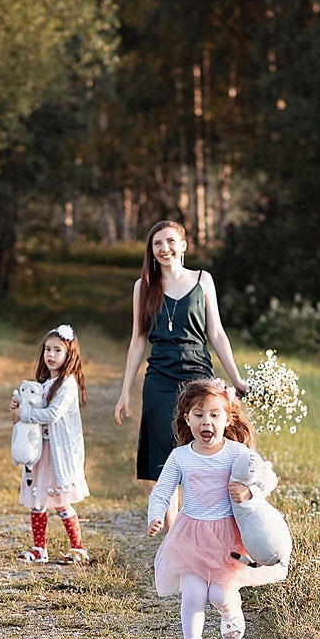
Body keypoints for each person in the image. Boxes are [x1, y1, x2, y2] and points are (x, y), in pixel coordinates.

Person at [147, 378, 287, 639]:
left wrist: (250, 493)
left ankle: (230, 610)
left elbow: (268, 479)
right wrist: (156, 516)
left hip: (228, 538)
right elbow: (162, 491)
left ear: (227, 418)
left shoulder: (237, 453)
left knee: (219, 595)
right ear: (187, 419)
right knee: (194, 593)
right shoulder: (181, 456)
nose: (206, 421)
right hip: (191, 536)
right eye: (198, 415)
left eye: (214, 414)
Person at [114, 220, 247, 525]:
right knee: (165, 457)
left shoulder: (203, 280)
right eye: (157, 243)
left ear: (184, 245)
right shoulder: (143, 286)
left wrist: (236, 379)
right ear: (151, 249)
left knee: (200, 452)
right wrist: (125, 392)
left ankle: (202, 525)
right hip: (159, 378)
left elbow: (216, 333)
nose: (164, 249)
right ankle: (174, 538)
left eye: (171, 241)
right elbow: (138, 340)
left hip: (198, 376)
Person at [9, 323, 91, 564]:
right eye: (47, 349)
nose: (51, 355)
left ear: (69, 355)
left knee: (61, 500)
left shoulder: (68, 384)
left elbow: (53, 414)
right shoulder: (43, 384)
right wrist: (19, 406)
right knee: (36, 499)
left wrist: (24, 415)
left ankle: (78, 548)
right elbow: (34, 409)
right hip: (40, 453)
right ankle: (38, 548)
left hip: (58, 454)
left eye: (57, 350)